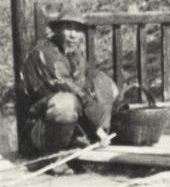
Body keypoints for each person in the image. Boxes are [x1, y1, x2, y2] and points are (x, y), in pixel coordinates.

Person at [19, 19, 118, 156]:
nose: (73, 35)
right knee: (65, 104)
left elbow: (88, 80)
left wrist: (108, 88)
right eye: (68, 28)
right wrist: (97, 127)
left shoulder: (74, 53)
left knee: (104, 82)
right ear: (57, 29)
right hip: (40, 129)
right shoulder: (44, 52)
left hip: (72, 125)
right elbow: (71, 88)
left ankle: (85, 139)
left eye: (78, 30)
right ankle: (54, 155)